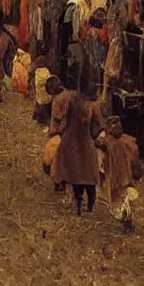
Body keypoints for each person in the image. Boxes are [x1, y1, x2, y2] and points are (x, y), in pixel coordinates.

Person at [48, 81, 103, 215]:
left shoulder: (71, 102)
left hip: (71, 143)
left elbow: (63, 122)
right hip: (86, 144)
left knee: (76, 177)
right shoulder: (93, 107)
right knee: (90, 178)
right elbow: (98, 127)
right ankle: (90, 206)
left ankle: (78, 204)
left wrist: (59, 133)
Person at [97, 116, 139, 233]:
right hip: (125, 175)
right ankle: (128, 222)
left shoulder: (108, 143)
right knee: (125, 199)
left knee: (118, 200)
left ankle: (126, 223)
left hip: (116, 176)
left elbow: (97, 143)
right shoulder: (124, 142)